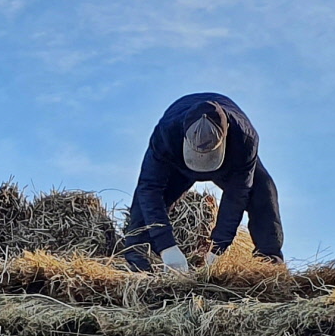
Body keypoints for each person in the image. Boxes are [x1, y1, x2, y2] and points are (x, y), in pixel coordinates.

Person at [122, 92, 285, 271]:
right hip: (178, 164)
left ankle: (269, 262)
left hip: (229, 163)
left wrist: (218, 248)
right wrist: (167, 247)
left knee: (264, 191)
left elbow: (237, 195)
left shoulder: (245, 139)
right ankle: (137, 261)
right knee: (144, 202)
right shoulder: (166, 133)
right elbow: (149, 188)